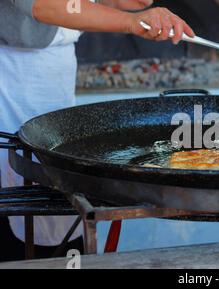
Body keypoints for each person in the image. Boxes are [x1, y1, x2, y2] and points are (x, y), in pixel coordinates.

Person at [0, 0, 195, 261]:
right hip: (11, 66)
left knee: (54, 185)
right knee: (21, 184)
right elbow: (44, 5)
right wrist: (130, 21)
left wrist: (134, 9)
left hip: (53, 67)